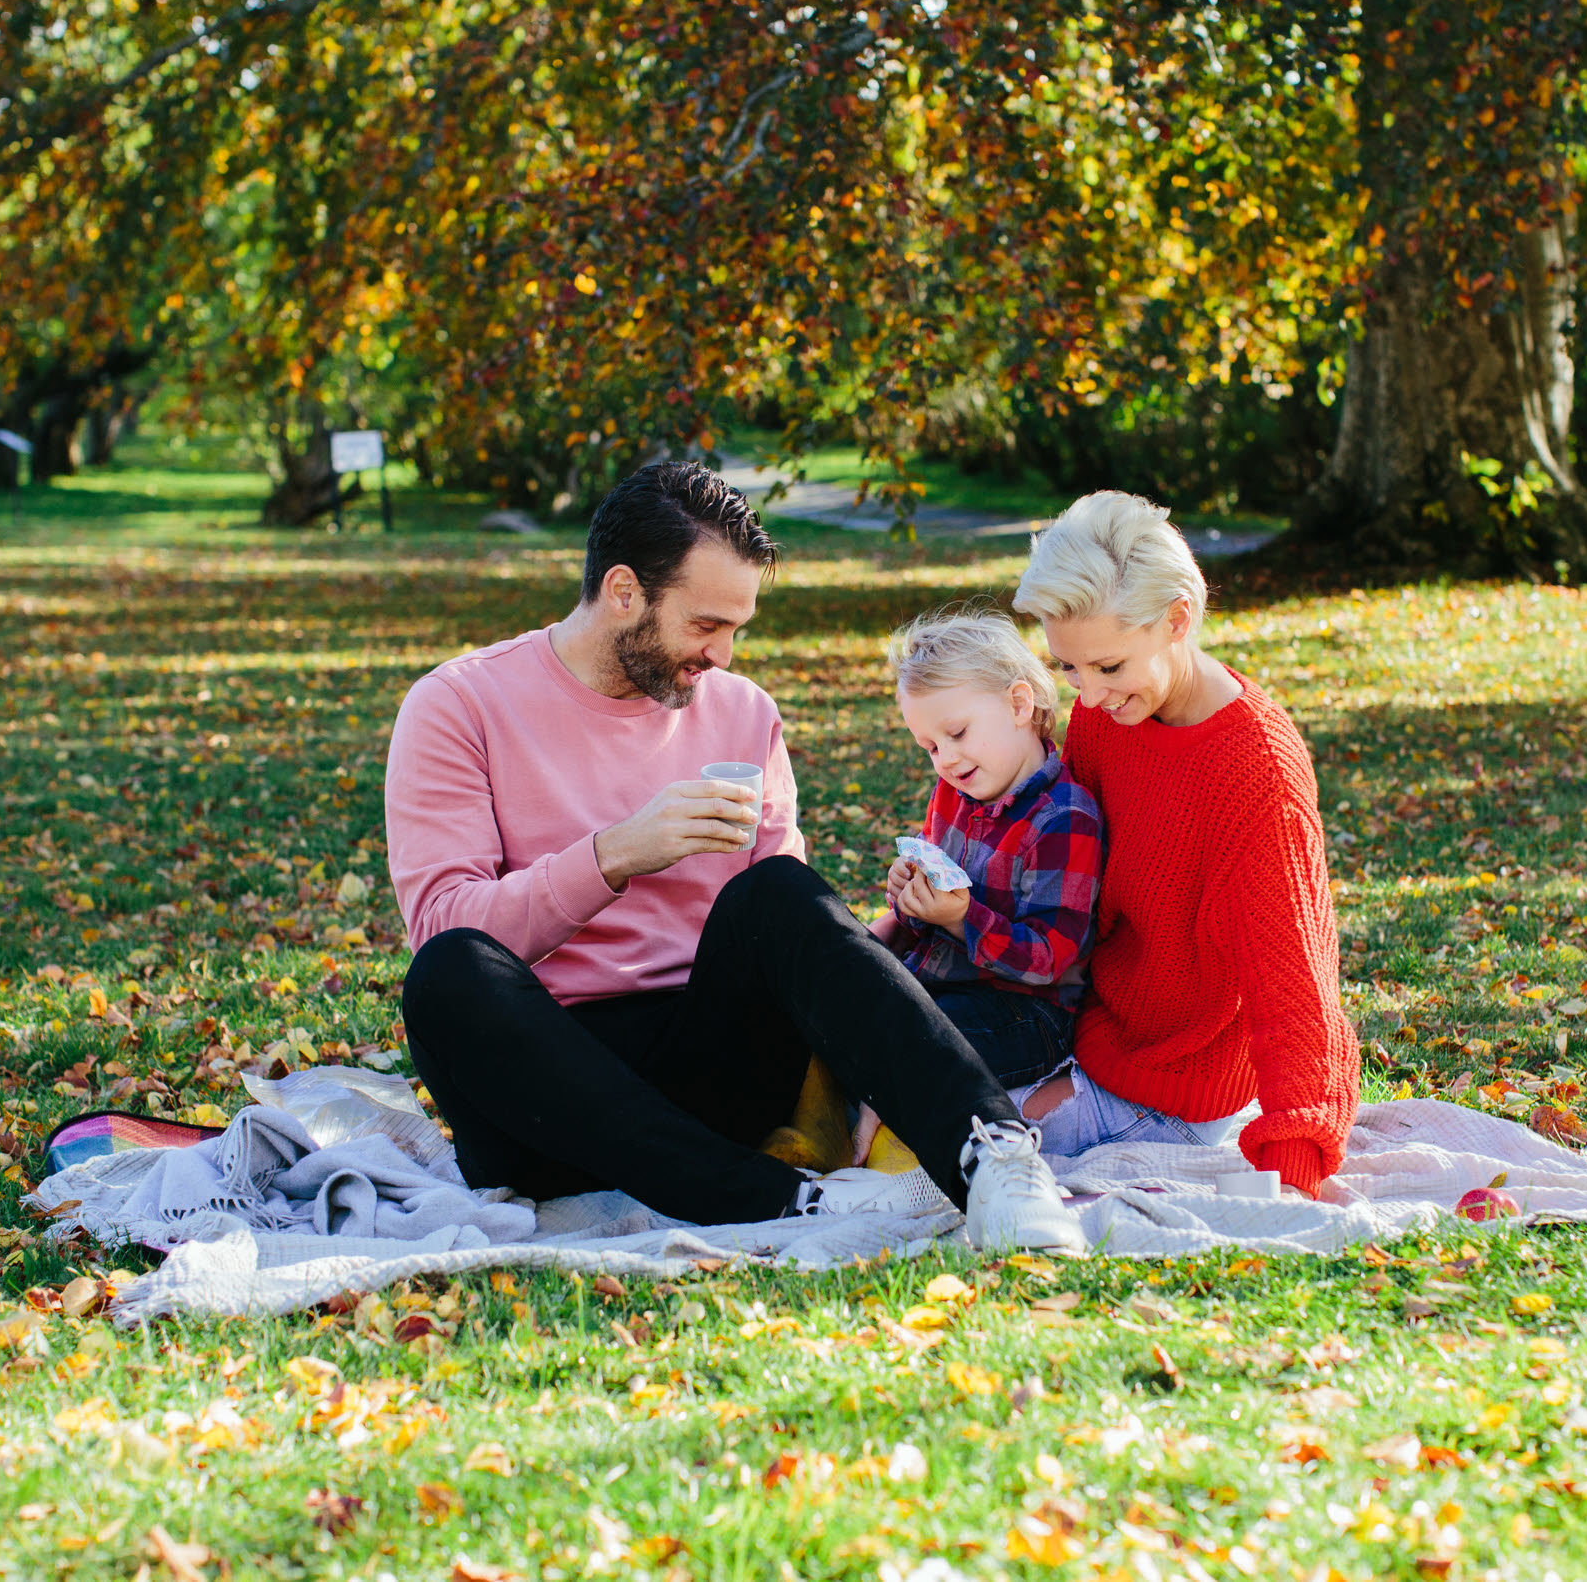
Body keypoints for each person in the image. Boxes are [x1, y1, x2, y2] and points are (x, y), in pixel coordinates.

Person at [385, 462, 1081, 1252]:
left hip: (718, 1065)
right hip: (549, 1096)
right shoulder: (458, 705)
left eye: (736, 629)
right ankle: (775, 1200)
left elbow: (790, 941)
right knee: (447, 974)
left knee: (780, 889)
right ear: (623, 592)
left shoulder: (743, 712)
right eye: (706, 625)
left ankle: (993, 1158)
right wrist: (616, 854)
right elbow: (444, 928)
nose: (722, 655)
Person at [1009, 490, 1358, 1195]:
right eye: (1069, 668)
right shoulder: (1109, 715)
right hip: (1080, 1028)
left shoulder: (1258, 773)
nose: (1091, 694)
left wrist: (1294, 1170)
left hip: (1173, 1086)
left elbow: (1296, 984)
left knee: (953, 1134)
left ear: (1178, 620)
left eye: (1108, 666)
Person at [870, 609, 1101, 1089]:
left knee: (909, 1039)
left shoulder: (1064, 819)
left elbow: (1048, 960)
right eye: (930, 747)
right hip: (939, 984)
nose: (946, 760)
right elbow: (929, 909)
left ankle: (889, 1129)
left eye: (956, 734)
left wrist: (959, 918)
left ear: (1019, 705)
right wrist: (912, 898)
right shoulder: (956, 793)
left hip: (1024, 1014)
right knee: (848, 1002)